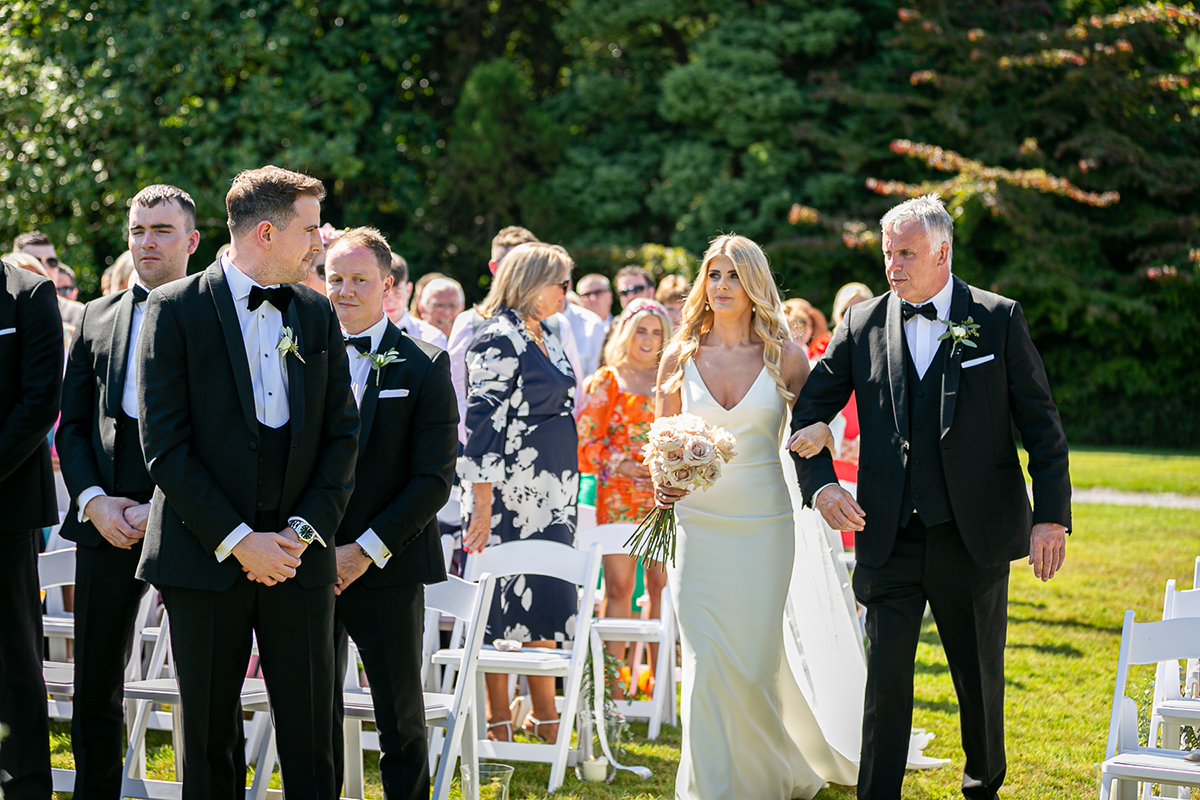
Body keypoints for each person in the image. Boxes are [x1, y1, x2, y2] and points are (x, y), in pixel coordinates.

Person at [790, 194, 1071, 800]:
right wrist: (821, 488)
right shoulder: (861, 323)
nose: (892, 263)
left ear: (943, 252)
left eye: (906, 252)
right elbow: (810, 411)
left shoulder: (996, 318)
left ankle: (982, 790)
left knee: (977, 681)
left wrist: (1050, 518)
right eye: (888, 251)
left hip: (971, 537)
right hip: (886, 533)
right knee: (885, 684)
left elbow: (1042, 427)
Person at [135, 166, 360, 799]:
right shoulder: (174, 310)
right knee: (208, 737)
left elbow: (343, 436)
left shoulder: (316, 313)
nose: (320, 244)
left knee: (312, 733)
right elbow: (166, 448)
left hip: (298, 559)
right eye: (310, 231)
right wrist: (238, 540)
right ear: (267, 232)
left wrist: (297, 534)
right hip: (202, 557)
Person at [653, 234, 854, 799]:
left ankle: (771, 774)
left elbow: (818, 427)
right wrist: (665, 482)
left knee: (752, 662)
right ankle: (710, 787)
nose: (721, 287)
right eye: (713, 275)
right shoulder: (681, 354)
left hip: (765, 527)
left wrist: (824, 435)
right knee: (706, 659)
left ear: (754, 284)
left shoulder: (786, 357)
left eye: (733, 276)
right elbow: (660, 440)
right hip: (696, 527)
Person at [56, 184, 199, 800]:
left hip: (195, 517)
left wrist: (164, 504)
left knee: (204, 681)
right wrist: (93, 500)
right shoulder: (96, 314)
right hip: (107, 515)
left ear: (192, 240)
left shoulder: (218, 316)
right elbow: (76, 423)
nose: (146, 242)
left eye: (161, 230)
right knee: (95, 680)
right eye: (138, 230)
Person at [324, 228, 458, 800]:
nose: (345, 291)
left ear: (390, 288)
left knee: (399, 715)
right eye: (335, 279)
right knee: (313, 711)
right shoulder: (297, 354)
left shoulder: (425, 365)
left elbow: (432, 481)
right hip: (306, 561)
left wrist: (364, 550)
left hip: (388, 563)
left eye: (360, 280)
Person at [459, 242, 578, 745]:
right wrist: (482, 504)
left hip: (552, 495)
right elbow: (481, 425)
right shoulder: (498, 337)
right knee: (503, 609)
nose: (568, 293)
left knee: (546, 601)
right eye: (563, 283)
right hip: (510, 497)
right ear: (533, 282)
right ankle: (498, 721)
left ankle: (545, 716)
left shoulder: (545, 332)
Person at [575, 299, 671, 695]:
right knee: (618, 586)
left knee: (660, 586)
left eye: (657, 332)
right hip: (617, 496)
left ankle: (654, 683)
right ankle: (611, 687)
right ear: (626, 333)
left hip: (663, 498)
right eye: (641, 330)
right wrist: (624, 465)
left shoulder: (673, 382)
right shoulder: (607, 380)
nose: (648, 340)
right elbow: (584, 440)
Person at [0, 255, 62, 799]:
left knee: (13, 662)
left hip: (4, 512)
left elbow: (39, 400)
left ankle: (24, 789)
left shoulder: (29, 293)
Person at [383, 252, 447, 349]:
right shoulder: (356, 334)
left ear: (408, 290)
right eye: (384, 293)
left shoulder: (432, 338)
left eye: (397, 293)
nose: (390, 302)